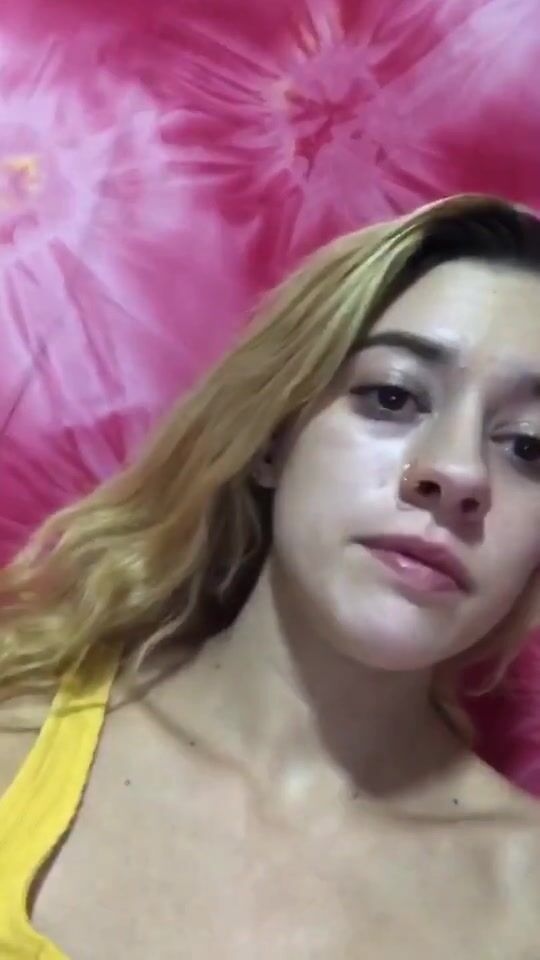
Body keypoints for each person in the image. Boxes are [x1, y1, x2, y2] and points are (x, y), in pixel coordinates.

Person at [1, 193, 540, 959]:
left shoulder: (524, 900)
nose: (456, 473)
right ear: (273, 439)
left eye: (528, 447)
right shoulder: (13, 731)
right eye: (392, 396)